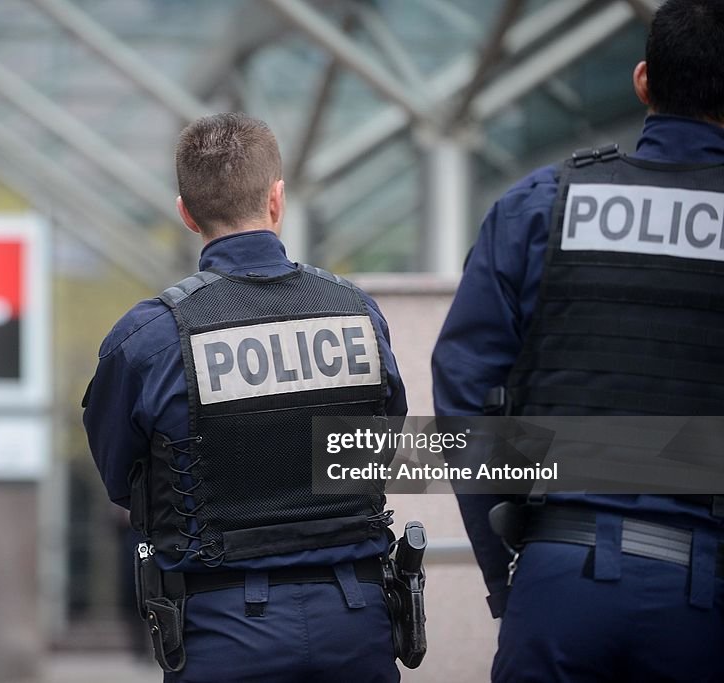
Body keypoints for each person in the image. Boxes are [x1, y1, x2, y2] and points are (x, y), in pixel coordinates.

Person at [432, 1, 724, 680]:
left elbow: (464, 389)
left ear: (643, 81)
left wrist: (506, 567)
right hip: (704, 602)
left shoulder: (540, 206)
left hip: (558, 580)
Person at [83, 113, 407, 682]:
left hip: (223, 629)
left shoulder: (152, 338)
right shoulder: (357, 313)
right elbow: (382, 441)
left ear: (185, 212)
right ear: (276, 200)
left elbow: (123, 481)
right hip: (355, 617)